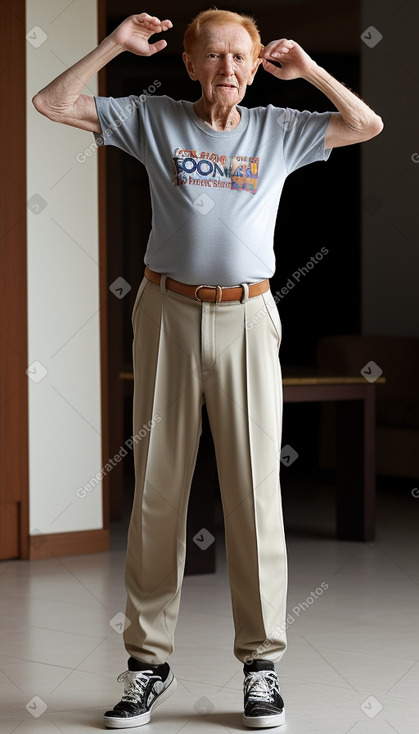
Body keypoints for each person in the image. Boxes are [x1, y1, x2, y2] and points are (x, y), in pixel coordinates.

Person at [33, 8, 383, 729]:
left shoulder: (281, 129)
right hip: (166, 311)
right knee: (158, 488)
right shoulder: (154, 118)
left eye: (242, 57)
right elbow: (52, 103)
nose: (229, 68)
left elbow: (367, 125)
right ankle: (146, 666)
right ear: (189, 63)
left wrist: (310, 71)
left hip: (249, 319)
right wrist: (112, 45)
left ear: (258, 66)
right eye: (215, 55)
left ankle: (260, 666)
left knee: (254, 493)